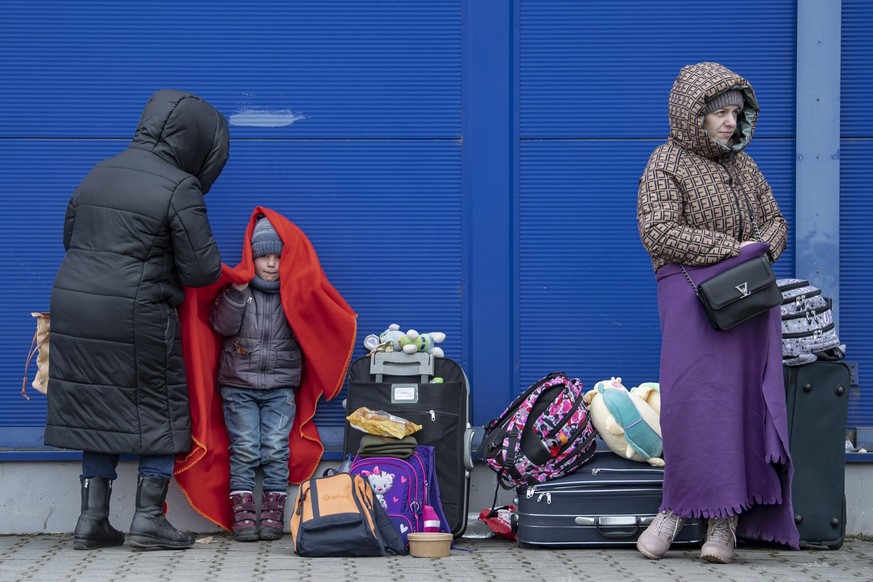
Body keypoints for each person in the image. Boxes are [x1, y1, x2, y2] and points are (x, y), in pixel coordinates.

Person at [44, 89, 229, 551]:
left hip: (76, 302)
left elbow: (71, 237)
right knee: (159, 404)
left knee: (98, 404)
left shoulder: (99, 171)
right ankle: (148, 519)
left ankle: (92, 521)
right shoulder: (178, 186)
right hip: (135, 308)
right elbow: (202, 270)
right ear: (195, 142)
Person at [635, 62, 799, 563]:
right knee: (690, 405)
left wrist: (763, 248)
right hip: (690, 300)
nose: (730, 122)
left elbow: (776, 221)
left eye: (736, 112)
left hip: (747, 300)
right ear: (693, 116)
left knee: (739, 406)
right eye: (720, 113)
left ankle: (723, 524)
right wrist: (732, 248)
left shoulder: (745, 167)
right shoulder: (665, 162)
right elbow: (657, 231)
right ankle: (673, 510)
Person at [209, 216, 300, 542]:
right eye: (264, 256)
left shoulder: (294, 292)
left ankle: (274, 513)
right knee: (245, 448)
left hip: (280, 384)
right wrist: (236, 291)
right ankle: (243, 513)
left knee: (276, 449)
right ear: (252, 257)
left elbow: (314, 329)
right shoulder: (239, 290)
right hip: (239, 384)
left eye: (278, 257)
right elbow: (222, 326)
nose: (272, 264)